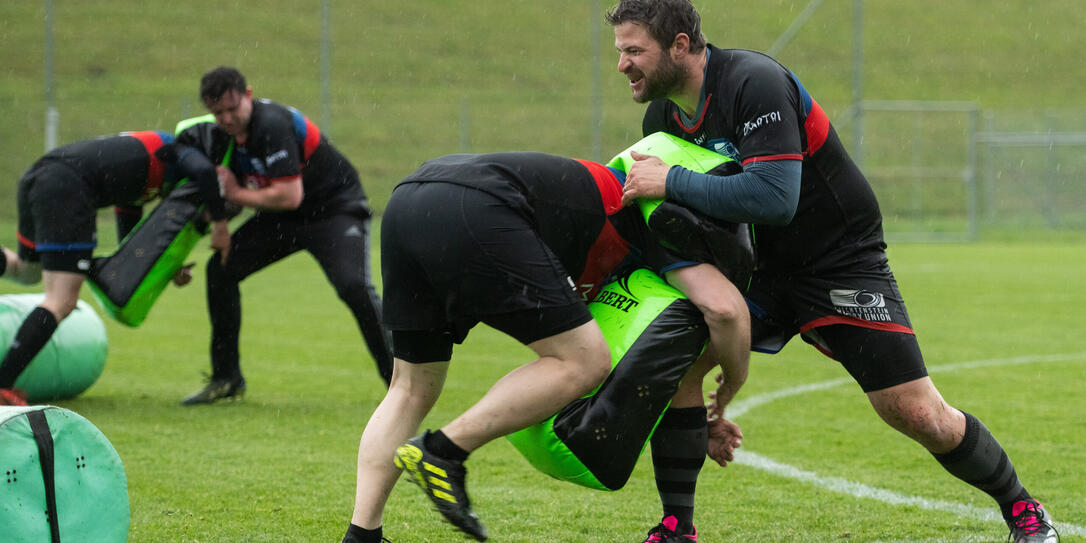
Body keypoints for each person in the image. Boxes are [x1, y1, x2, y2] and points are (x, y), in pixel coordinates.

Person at [607, 2, 1060, 542]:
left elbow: (775, 198)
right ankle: (677, 528)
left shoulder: (754, 83)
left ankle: (1024, 511)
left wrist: (671, 181)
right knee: (677, 358)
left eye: (635, 51)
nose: (623, 65)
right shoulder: (661, 118)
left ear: (680, 45)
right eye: (619, 52)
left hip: (838, 258)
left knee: (916, 413)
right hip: (756, 267)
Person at [340, 151, 747, 543]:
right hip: (483, 206)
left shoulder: (612, 191)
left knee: (410, 388)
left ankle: (362, 535)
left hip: (410, 199)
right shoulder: (659, 219)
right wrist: (731, 382)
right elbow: (724, 309)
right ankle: (442, 451)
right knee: (584, 361)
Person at [176, 66, 393, 405]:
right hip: (282, 219)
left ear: (248, 95)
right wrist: (212, 222)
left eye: (233, 109)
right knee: (220, 270)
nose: (227, 119)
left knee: (354, 287)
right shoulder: (220, 137)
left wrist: (232, 194)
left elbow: (289, 195)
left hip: (334, 211)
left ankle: (399, 385)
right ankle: (226, 379)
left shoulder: (272, 124)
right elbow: (246, 195)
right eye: (218, 113)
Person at [0, 131, 229, 406]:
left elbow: (134, 248)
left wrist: (169, 268)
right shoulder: (183, 149)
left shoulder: (141, 173)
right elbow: (205, 172)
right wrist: (220, 224)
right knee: (61, 301)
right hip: (68, 187)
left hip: (40, 177)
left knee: (25, 270)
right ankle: (3, 386)